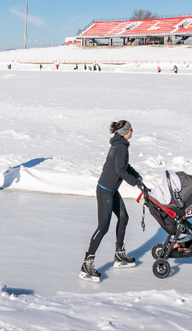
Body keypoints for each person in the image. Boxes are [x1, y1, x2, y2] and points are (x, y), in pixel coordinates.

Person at [80, 120, 142, 282]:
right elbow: (120, 170)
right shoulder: (121, 146)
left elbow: (124, 166)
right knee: (103, 227)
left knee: (123, 217)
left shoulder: (120, 144)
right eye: (131, 129)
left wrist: (136, 176)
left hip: (111, 190)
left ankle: (119, 255)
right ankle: (87, 263)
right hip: (105, 191)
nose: (132, 132)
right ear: (125, 132)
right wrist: (135, 182)